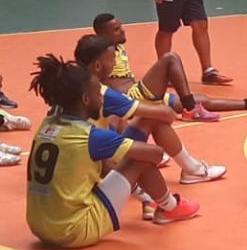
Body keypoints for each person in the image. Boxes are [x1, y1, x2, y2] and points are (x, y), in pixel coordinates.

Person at [25, 54, 199, 248]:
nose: (102, 97)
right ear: (85, 99)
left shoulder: (46, 124)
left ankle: (150, 198)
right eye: (98, 94)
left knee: (117, 157)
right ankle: (169, 207)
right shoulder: (90, 137)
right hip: (74, 231)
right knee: (140, 158)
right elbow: (156, 154)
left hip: (39, 226)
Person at [74, 34, 227, 190]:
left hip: (79, 168)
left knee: (123, 117)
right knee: (153, 131)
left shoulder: (71, 87)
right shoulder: (102, 94)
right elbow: (167, 114)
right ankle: (184, 181)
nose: (114, 64)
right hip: (101, 174)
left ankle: (189, 171)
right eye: (112, 59)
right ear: (98, 66)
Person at [93, 13, 247, 122]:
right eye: (116, 29)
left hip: (140, 93)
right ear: (102, 34)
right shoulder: (99, 52)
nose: (123, 30)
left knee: (203, 99)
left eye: (121, 26)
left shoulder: (118, 46)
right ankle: (190, 109)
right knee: (170, 58)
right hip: (131, 97)